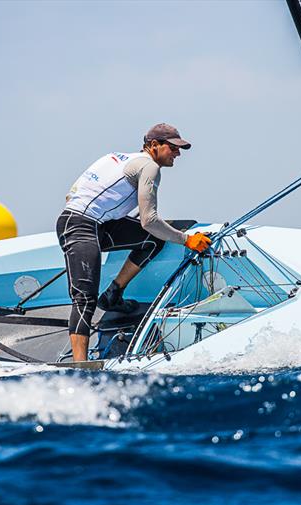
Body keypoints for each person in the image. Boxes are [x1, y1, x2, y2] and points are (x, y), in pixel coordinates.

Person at [56, 123, 211, 362]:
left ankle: (113, 295)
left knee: (152, 241)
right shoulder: (149, 167)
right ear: (153, 146)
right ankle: (81, 365)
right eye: (172, 148)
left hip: (92, 224)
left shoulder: (114, 157)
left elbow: (72, 195)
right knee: (84, 298)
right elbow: (149, 220)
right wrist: (186, 240)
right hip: (80, 227)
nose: (177, 154)